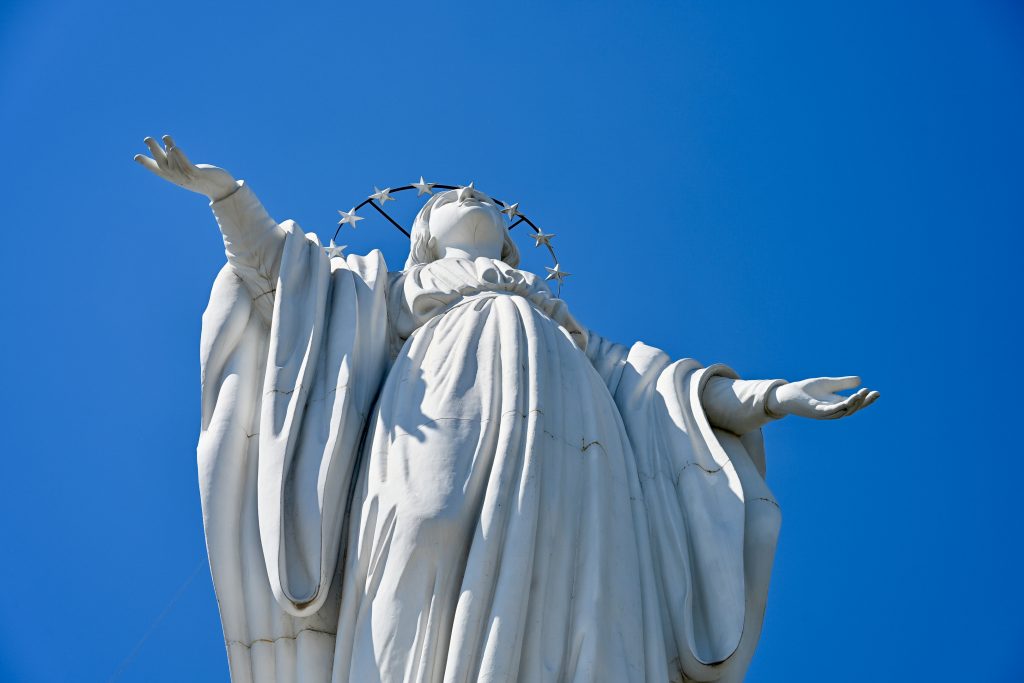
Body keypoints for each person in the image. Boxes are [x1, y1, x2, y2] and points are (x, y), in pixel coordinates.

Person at [135, 136, 878, 683]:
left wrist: (770, 398)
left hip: (579, 445)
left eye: (485, 204)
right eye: (447, 203)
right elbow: (279, 270)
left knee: (588, 590)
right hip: (433, 401)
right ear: (420, 239)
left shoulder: (564, 325)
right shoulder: (387, 295)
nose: (469, 198)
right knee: (420, 526)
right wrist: (226, 196)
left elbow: (663, 395)